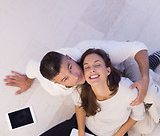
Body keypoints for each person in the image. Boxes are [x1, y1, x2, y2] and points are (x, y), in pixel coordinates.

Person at [4, 40, 150, 106]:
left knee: (146, 92)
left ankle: (151, 62)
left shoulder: (90, 49)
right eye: (66, 78)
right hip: (108, 82)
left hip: (119, 65)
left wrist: (145, 78)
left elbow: (137, 47)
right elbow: (32, 66)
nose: (76, 76)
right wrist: (28, 80)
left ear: (69, 58)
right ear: (58, 83)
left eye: (70, 67)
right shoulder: (53, 88)